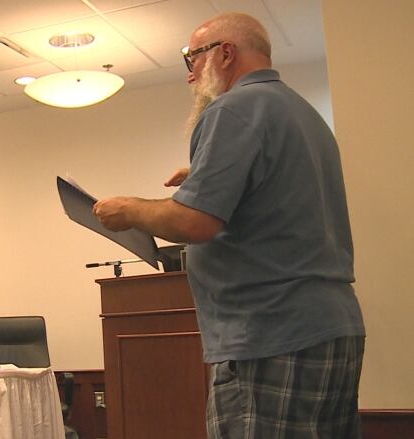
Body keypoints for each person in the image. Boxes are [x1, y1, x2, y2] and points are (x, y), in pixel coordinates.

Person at [93, 12, 365, 438]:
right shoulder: (302, 113)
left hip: (271, 334)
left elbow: (194, 222)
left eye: (192, 60)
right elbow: (277, 196)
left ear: (225, 53)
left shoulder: (234, 108)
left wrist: (129, 209)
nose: (191, 76)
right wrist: (208, 180)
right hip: (329, 328)